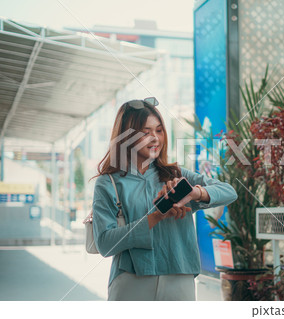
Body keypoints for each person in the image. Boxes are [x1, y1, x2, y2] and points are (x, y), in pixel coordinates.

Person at [91, 97, 238, 301]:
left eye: (159, 130)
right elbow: (105, 244)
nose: (155, 138)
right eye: (146, 132)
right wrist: (156, 216)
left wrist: (195, 193)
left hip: (179, 278)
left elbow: (229, 191)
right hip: (131, 281)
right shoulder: (108, 183)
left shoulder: (176, 175)